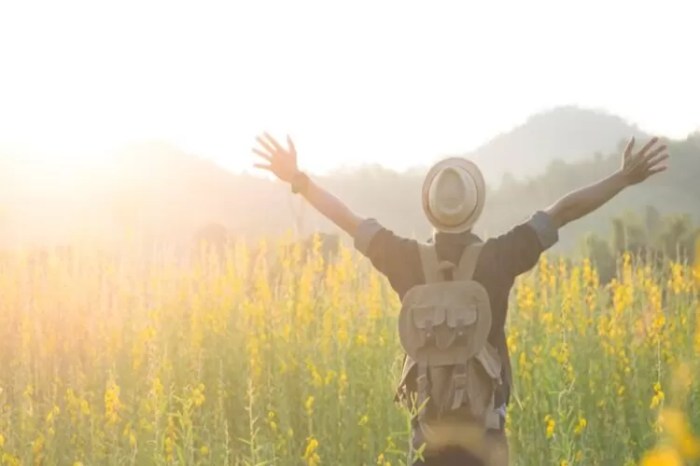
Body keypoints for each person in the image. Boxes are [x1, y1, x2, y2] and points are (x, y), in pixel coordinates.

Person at [252, 133, 669, 465]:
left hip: (428, 442)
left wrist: (299, 180)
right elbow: (562, 210)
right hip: (486, 442)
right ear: (476, 205)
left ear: (429, 207)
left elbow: (347, 219)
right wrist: (622, 178)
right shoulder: (500, 257)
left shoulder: (404, 259)